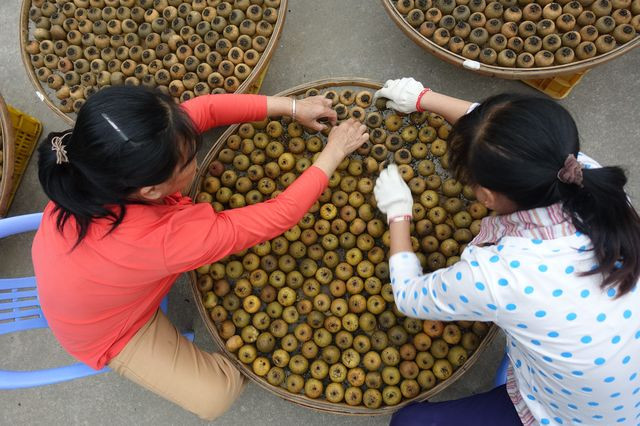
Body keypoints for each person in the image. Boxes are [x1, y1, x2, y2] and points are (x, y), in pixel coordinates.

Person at [32, 85, 368, 420]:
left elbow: (205, 110)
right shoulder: (163, 240)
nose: (198, 157)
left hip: (86, 278)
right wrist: (335, 151)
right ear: (150, 190)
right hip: (108, 328)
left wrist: (293, 107)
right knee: (216, 396)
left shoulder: (101, 161)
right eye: (188, 161)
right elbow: (279, 215)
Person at [373, 78, 640, 426]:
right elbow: (502, 134)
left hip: (584, 417)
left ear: (486, 196)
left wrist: (398, 214)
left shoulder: (500, 273)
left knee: (410, 422)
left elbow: (410, 296)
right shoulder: (587, 178)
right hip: (618, 374)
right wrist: (424, 99)